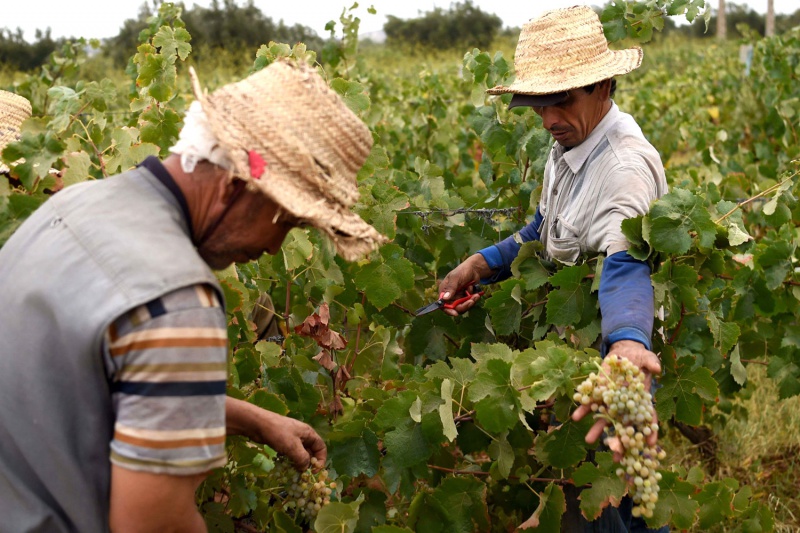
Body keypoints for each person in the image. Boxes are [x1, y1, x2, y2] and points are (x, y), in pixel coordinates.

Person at [0, 60, 387, 532]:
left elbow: (80, 388)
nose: (273, 247)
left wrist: (250, 419)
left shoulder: (72, 206)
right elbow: (152, 526)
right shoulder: (177, 300)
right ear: (235, 184)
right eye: (284, 222)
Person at [437, 6, 668, 532]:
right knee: (609, 500)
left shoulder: (625, 168)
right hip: (577, 359)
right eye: (538, 105)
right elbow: (545, 225)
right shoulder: (567, 141)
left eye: (560, 101)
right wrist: (484, 262)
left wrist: (629, 341)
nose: (546, 120)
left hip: (616, 358)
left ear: (603, 86)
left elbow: (626, 262)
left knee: (609, 500)